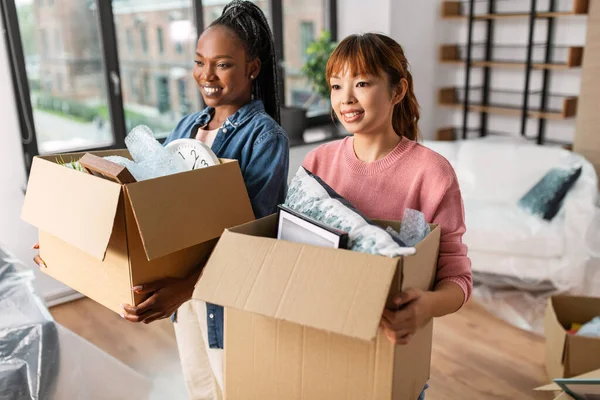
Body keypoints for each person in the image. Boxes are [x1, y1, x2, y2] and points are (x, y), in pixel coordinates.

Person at [34, 1, 288, 399]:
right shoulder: (188, 125)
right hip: (183, 294)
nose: (206, 75)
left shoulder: (265, 137)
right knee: (201, 384)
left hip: (225, 296)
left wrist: (186, 287)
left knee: (239, 387)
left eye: (222, 64)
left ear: (252, 68)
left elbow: (250, 236)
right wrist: (68, 243)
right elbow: (148, 203)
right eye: (199, 61)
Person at [300, 32, 473, 400]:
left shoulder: (431, 173)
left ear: (397, 91)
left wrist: (425, 307)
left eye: (361, 83)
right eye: (336, 85)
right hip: (322, 345)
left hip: (393, 357)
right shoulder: (317, 163)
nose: (345, 98)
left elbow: (456, 277)